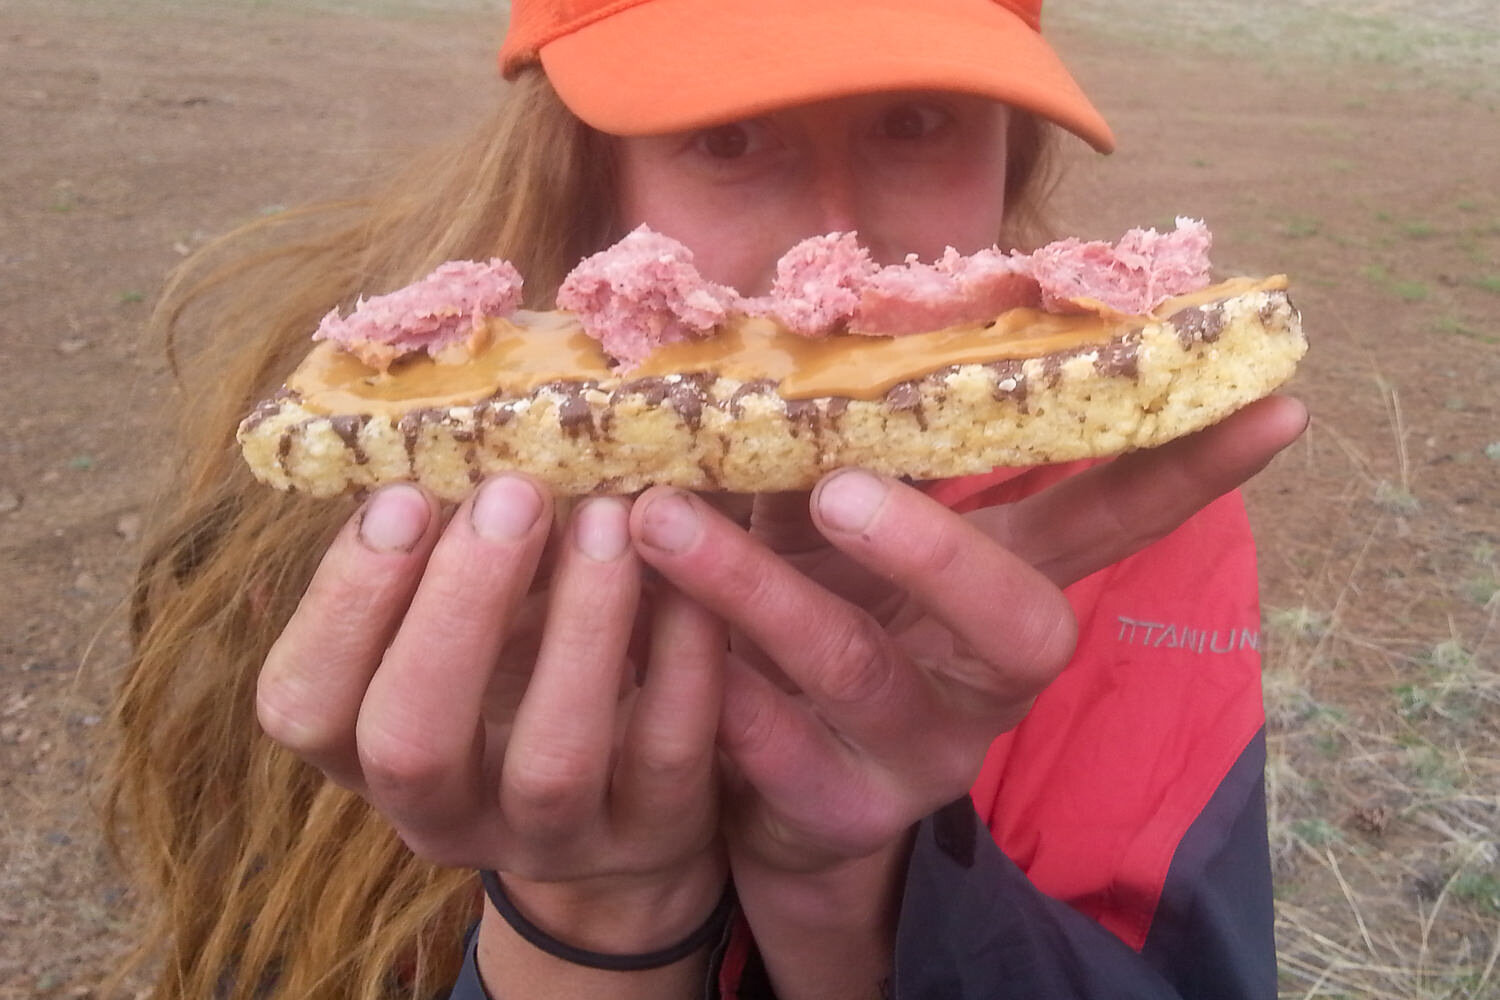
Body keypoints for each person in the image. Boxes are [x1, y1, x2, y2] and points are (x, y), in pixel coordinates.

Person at [105, 1, 1308, 998]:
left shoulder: (1142, 518)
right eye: (728, 135)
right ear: (583, 161)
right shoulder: (357, 519)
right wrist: (592, 911)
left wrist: (853, 898)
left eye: (917, 120)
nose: (835, 234)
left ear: (1017, 149)